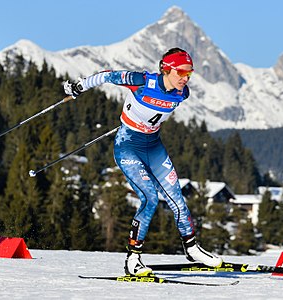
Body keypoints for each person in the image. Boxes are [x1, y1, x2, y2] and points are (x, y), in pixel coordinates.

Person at [64, 48, 222, 276]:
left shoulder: (182, 93)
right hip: (128, 146)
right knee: (150, 198)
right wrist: (79, 87)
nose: (185, 78)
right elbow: (108, 75)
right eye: (181, 72)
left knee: (177, 197)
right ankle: (133, 259)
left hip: (153, 147)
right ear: (166, 69)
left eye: (189, 73)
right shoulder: (141, 81)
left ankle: (192, 248)